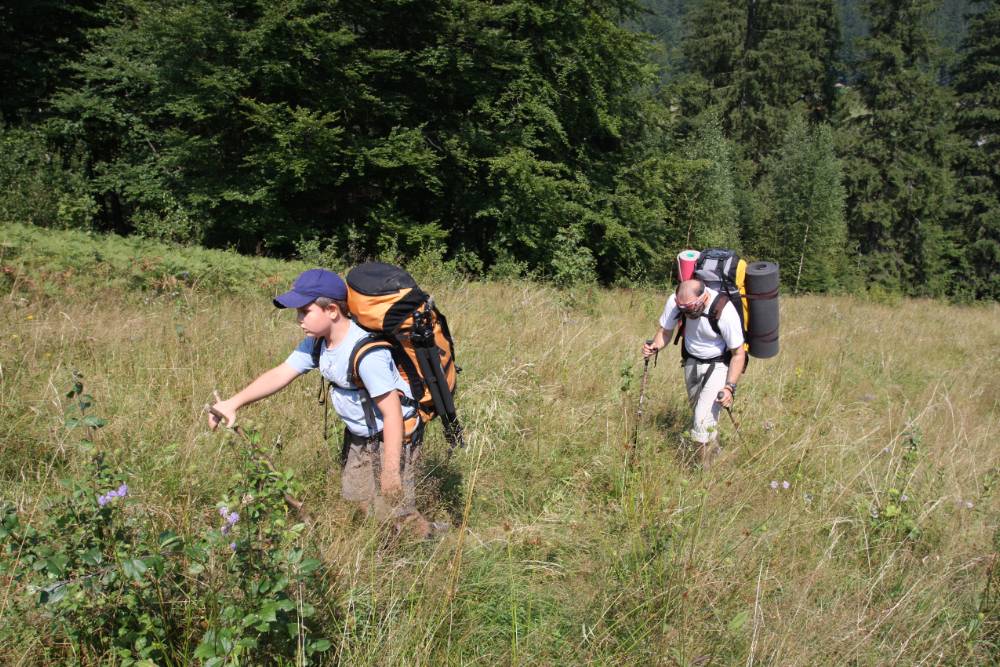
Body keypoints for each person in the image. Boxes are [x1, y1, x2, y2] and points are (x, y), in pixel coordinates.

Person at [208, 268, 439, 537]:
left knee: (396, 505)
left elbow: (392, 414)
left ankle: (428, 539)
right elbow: (281, 374)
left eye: (304, 311)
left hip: (395, 435)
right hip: (360, 435)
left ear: (331, 310)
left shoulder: (367, 354)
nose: (299, 320)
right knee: (361, 499)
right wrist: (233, 403)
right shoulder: (317, 344)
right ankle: (387, 541)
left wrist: (390, 471)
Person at [642, 278, 745, 466]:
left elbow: (738, 354)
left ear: (704, 297)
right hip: (690, 361)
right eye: (683, 308)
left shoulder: (724, 310)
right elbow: (665, 332)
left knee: (701, 419)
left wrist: (729, 387)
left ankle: (703, 469)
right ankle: (714, 451)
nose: (687, 313)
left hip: (718, 364)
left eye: (690, 307)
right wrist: (654, 347)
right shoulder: (675, 302)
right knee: (699, 412)